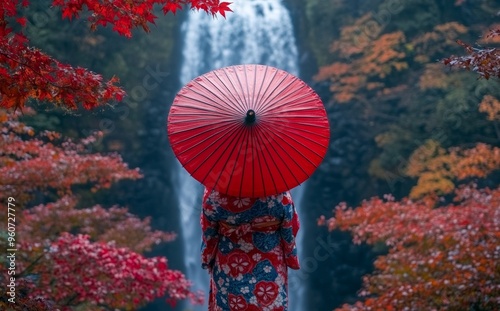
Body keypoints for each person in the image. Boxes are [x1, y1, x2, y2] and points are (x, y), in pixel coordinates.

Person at [200, 187, 300, 311]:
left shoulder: (214, 192)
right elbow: (289, 229)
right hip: (270, 265)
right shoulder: (280, 192)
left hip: (229, 268)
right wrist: (291, 256)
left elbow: (209, 233)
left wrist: (207, 257)